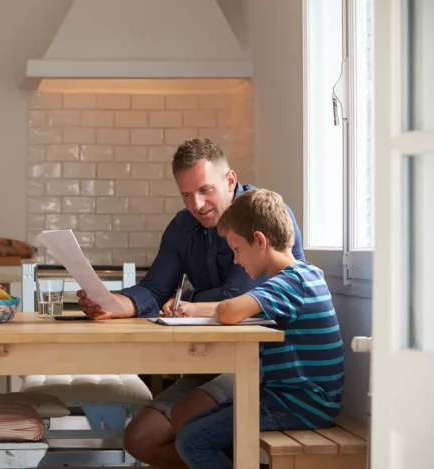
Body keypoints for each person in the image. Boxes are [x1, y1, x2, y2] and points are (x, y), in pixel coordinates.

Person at [75, 138, 306, 467]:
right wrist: (112, 304)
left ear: (230, 180)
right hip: (213, 364)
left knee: (189, 421)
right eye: (186, 195)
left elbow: (235, 299)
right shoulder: (182, 226)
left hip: (263, 367)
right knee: (140, 439)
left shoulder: (263, 218)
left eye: (205, 190)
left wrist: (185, 300)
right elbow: (154, 289)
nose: (197, 204)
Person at [172, 188, 344, 469]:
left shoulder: (290, 283)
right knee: (193, 426)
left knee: (192, 439)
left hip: (301, 404)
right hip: (297, 398)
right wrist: (196, 308)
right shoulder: (302, 275)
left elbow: (229, 311)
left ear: (260, 241)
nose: (237, 260)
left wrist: (205, 307)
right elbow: (234, 308)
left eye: (237, 250)